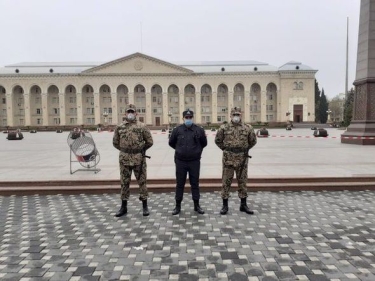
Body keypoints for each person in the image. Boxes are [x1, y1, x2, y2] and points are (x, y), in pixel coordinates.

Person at [113, 104, 153, 217]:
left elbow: (149, 141)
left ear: (136, 113)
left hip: (138, 159)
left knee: (142, 182)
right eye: (128, 112)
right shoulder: (119, 127)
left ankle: (145, 206)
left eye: (132, 112)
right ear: (125, 113)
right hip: (124, 160)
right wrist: (125, 150)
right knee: (124, 183)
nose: (130, 114)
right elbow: (115, 142)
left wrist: (140, 150)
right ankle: (123, 207)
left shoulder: (142, 126)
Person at [215, 107, 257, 215]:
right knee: (226, 182)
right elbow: (218, 141)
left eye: (238, 114)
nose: (236, 117)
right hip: (228, 159)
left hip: (242, 159)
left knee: (242, 182)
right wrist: (226, 149)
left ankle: (243, 205)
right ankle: (225, 206)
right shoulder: (223, 128)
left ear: (241, 115)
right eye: (234, 115)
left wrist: (243, 149)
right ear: (230, 116)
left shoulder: (248, 128)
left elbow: (253, 141)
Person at [168, 109, 207, 215]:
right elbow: (171, 143)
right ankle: (177, 206)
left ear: (192, 118)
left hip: (194, 161)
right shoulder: (177, 130)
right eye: (186, 118)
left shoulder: (199, 130)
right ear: (183, 118)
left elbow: (204, 143)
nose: (188, 119)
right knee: (180, 184)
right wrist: (180, 151)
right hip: (181, 162)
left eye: (190, 117)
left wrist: (196, 151)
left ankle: (196, 205)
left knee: (195, 183)